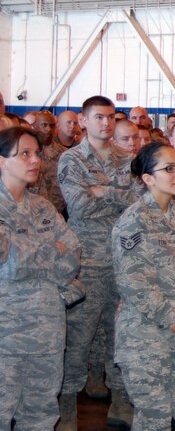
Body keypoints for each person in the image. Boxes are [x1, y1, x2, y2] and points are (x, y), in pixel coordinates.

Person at [111, 142, 175, 429]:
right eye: (169, 169)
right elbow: (135, 286)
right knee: (154, 421)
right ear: (147, 179)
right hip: (147, 339)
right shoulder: (133, 221)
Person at [57, 96, 141, 429]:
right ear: (83, 120)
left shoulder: (128, 160)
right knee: (78, 338)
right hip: (88, 262)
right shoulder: (71, 159)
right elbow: (78, 207)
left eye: (109, 118)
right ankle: (66, 405)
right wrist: (113, 195)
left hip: (124, 259)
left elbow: (138, 204)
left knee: (120, 335)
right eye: (98, 118)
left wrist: (100, 191)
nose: (105, 124)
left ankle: (120, 400)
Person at [0, 127, 81, 430]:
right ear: (1, 161)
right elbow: (10, 264)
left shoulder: (43, 206)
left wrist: (31, 254)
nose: (36, 160)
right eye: (24, 154)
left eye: (37, 153)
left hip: (47, 331)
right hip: (6, 334)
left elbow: (73, 254)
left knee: (42, 415)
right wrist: (53, 250)